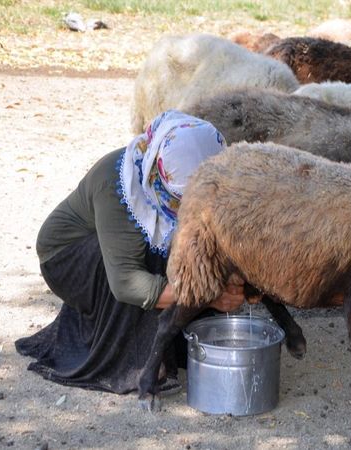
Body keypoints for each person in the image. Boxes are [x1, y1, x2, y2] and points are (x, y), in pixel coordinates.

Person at [16, 110, 246, 394]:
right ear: (160, 174)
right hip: (68, 259)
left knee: (174, 256)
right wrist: (210, 295)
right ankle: (132, 363)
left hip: (112, 249)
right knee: (146, 266)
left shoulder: (177, 171)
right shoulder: (121, 188)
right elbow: (127, 283)